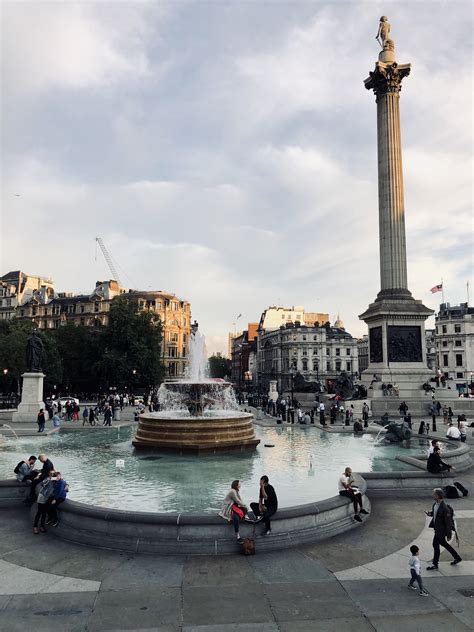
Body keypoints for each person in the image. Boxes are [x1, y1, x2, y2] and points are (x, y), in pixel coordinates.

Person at [426, 488, 462, 569]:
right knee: (443, 544)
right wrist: (430, 514)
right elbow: (436, 514)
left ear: (438, 496)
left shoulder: (445, 508)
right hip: (437, 529)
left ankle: (435, 564)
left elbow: (448, 523)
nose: (432, 495)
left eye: (434, 494)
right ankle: (457, 557)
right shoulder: (435, 504)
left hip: (441, 531)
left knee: (435, 544)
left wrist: (448, 535)